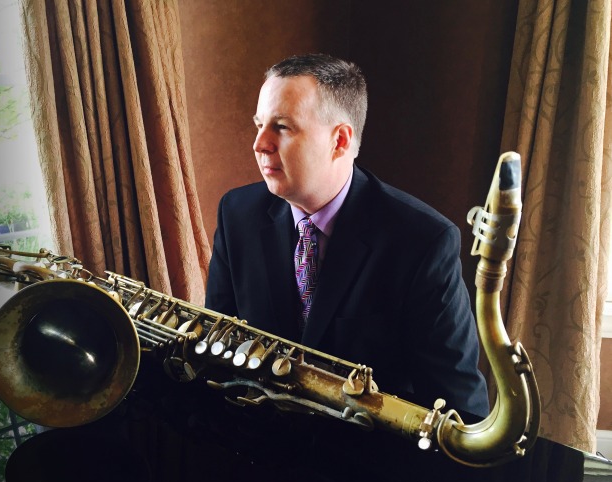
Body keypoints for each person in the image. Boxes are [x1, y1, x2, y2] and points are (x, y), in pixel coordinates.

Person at [205, 53, 489, 419]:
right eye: (259, 124)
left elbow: (462, 409)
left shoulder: (423, 242)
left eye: (282, 127)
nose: (260, 144)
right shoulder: (237, 213)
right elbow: (215, 352)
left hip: (369, 464)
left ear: (339, 140)